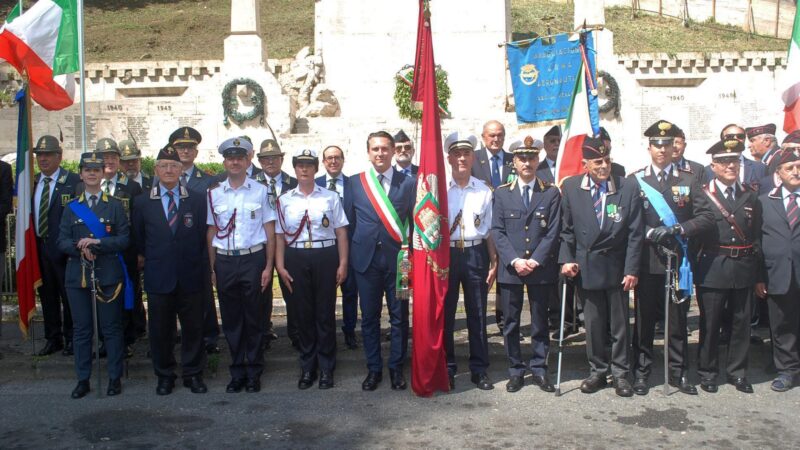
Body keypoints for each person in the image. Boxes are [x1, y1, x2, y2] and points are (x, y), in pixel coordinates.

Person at [629, 120, 714, 396]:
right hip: (647, 260)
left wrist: (679, 228)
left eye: (667, 144)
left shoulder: (688, 180)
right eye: (657, 144)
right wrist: (648, 231)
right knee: (644, 322)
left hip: (678, 262)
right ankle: (641, 373)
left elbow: (706, 217)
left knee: (677, 320)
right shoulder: (636, 180)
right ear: (649, 147)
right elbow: (627, 222)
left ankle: (678, 374)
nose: (662, 149)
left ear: (674, 146)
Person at [559, 137, 643, 397]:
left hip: (617, 267)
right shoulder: (572, 187)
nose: (604, 166)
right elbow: (567, 230)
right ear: (585, 164)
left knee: (619, 326)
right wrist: (566, 260)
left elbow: (635, 233)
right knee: (594, 325)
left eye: (607, 160)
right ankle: (597, 371)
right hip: (587, 266)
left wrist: (632, 269)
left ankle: (620, 373)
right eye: (598, 162)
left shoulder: (626, 187)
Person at [132, 146, 208, 395]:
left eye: (173, 166)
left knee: (193, 328)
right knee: (160, 331)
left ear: (180, 170)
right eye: (163, 165)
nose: (168, 170)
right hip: (159, 276)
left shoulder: (196, 200)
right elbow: (140, 239)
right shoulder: (143, 203)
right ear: (155, 170)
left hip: (190, 275)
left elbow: (201, 237)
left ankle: (193, 374)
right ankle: (164, 375)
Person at [491, 136, 561, 393]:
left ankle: (540, 369)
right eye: (522, 158)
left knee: (540, 322)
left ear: (538, 159)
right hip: (511, 269)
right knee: (510, 322)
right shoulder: (501, 193)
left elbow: (553, 232)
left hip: (540, 268)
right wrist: (516, 260)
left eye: (532, 158)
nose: (527, 163)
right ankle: (516, 370)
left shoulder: (551, 192)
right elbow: (497, 231)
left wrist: (534, 260)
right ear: (514, 162)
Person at [346, 131, 415, 391]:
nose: (380, 153)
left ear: (393, 151)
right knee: (370, 318)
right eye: (375, 149)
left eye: (385, 149)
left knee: (400, 317)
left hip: (401, 262)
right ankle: (374, 369)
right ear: (368, 152)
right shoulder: (355, 183)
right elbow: (349, 223)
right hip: (365, 262)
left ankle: (397, 368)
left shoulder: (408, 182)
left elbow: (413, 222)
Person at [57, 152, 130, 398]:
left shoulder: (115, 204)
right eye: (87, 169)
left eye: (96, 170)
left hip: (108, 275)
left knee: (111, 328)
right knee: (82, 330)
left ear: (103, 173)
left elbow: (124, 239)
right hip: (78, 276)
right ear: (80, 173)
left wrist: (97, 242)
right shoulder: (71, 207)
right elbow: (62, 241)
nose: (91, 173)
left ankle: (113, 378)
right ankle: (83, 379)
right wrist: (81, 247)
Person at [275, 149, 349, 389]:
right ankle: (308, 367)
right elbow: (278, 236)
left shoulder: (329, 197)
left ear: (317, 168)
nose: (304, 169)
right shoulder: (285, 199)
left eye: (309, 165)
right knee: (303, 314)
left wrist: (343, 263)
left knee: (325, 314)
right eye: (300, 165)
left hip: (325, 254)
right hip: (296, 256)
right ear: (294, 169)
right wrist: (280, 264)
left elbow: (341, 232)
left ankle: (327, 367)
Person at [207, 137, 276, 393]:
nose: (234, 162)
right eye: (230, 158)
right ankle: (237, 371)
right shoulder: (213, 194)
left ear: (248, 161)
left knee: (255, 318)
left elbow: (270, 232)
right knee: (232, 319)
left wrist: (269, 267)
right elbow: (211, 233)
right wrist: (212, 267)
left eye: (240, 157)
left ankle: (255, 371)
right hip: (225, 261)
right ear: (224, 161)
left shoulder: (261, 191)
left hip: (253, 259)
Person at [694, 139, 761, 394]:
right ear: (713, 165)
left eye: (734, 160)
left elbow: (756, 236)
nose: (730, 165)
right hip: (713, 266)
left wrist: (757, 273)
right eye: (724, 161)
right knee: (710, 324)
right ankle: (708, 372)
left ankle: (737, 372)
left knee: (741, 322)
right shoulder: (702, 193)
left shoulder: (749, 194)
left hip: (743, 267)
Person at [443, 132, 497, 391]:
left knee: (477, 313)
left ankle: (479, 369)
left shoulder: (484, 190)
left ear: (473, 157)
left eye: (466, 154)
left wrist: (494, 261)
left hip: (476, 254)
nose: (462, 158)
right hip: (448, 255)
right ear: (449, 158)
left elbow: (488, 230)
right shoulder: (439, 190)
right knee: (447, 315)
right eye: (457, 154)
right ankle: (447, 367)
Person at [170, 126, 220, 354]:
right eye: (181, 147)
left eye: (190, 147)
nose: (185, 151)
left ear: (196, 152)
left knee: (204, 295)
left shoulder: (208, 181)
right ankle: (172, 337)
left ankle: (209, 337)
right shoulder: (161, 178)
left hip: (199, 246)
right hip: (171, 248)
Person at [95, 137, 144, 356]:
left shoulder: (132, 187)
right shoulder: (87, 186)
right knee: (101, 296)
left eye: (113, 157)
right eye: (105, 157)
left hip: (126, 252)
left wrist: (141, 251)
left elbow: (139, 222)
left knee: (126, 295)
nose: (110, 161)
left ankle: (126, 340)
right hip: (99, 253)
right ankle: (106, 340)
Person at [757, 148, 800, 392]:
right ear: (778, 174)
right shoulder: (765, 202)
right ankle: (787, 370)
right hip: (778, 273)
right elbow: (758, 243)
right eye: (789, 168)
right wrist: (760, 277)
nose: (795, 171)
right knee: (782, 324)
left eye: (799, 166)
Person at [32, 135, 79, 357]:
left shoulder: (72, 181)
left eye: (48, 154)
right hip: (39, 249)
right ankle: (53, 338)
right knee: (47, 295)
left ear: (59, 156)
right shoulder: (32, 182)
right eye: (40, 155)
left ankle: (71, 338)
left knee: (68, 296)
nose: (43, 159)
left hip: (64, 250)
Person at [255, 139, 299, 349]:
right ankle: (263, 332)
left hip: (288, 245)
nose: (270, 162)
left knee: (292, 289)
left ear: (282, 159)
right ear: (259, 161)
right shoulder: (251, 184)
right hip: (260, 244)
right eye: (265, 159)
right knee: (260, 292)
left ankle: (296, 334)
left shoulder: (294, 182)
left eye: (274, 158)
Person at [315, 145, 359, 350]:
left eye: (337, 158)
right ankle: (325, 333)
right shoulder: (313, 185)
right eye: (329, 158)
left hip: (349, 248)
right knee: (323, 295)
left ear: (343, 160)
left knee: (350, 292)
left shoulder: (355, 185)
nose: (333, 161)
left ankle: (349, 331)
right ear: (323, 162)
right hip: (321, 250)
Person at [471, 120, 513, 331]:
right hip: (481, 226)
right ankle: (478, 320)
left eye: (500, 135)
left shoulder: (513, 160)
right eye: (491, 135)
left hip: (508, 226)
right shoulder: (473, 159)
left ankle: (504, 318)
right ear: (483, 137)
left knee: (505, 274)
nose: (496, 139)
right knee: (482, 275)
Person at [704, 124, 766, 190]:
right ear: (722, 140)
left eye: (740, 136)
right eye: (729, 136)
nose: (735, 139)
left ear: (745, 139)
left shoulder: (760, 168)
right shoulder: (707, 171)